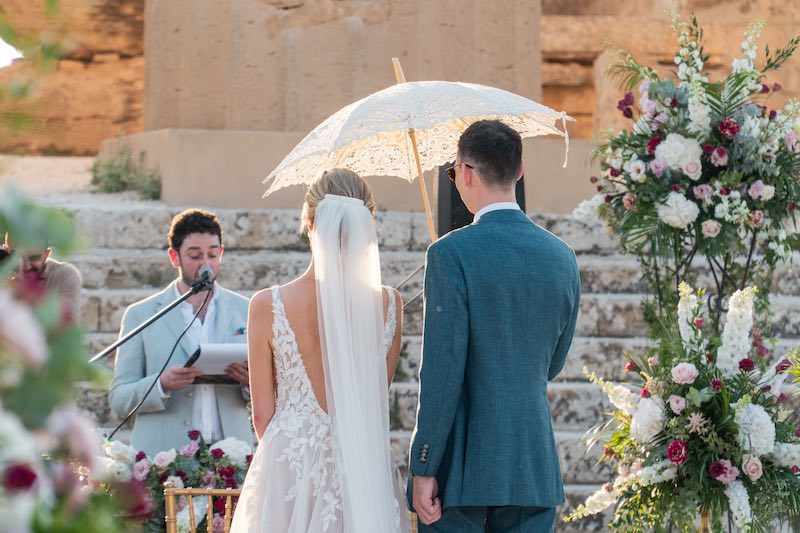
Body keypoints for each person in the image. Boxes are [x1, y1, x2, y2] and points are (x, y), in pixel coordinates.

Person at [408, 120, 581, 532]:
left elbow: (441, 371)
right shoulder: (562, 257)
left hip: (462, 467)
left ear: (465, 172)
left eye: (454, 172)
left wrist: (424, 463)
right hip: (532, 463)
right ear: (519, 170)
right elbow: (552, 363)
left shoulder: (450, 254)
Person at [231, 169, 409, 533]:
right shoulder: (390, 304)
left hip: (289, 463)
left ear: (309, 223)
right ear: (367, 222)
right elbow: (376, 398)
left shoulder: (267, 304)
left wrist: (297, 458)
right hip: (362, 467)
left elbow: (263, 414)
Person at [108, 209, 254, 457]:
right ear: (174, 257)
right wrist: (161, 384)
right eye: (195, 255)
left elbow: (277, 389)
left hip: (233, 459)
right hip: (165, 461)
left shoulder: (248, 309)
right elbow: (119, 399)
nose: (206, 264)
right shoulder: (141, 314)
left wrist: (251, 381)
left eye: (213, 254)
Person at [2, 232, 82, 320]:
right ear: (6, 252)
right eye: (19, 257)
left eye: (34, 258)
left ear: (46, 255)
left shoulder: (64, 275)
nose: (26, 266)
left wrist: (26, 296)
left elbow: (67, 325)